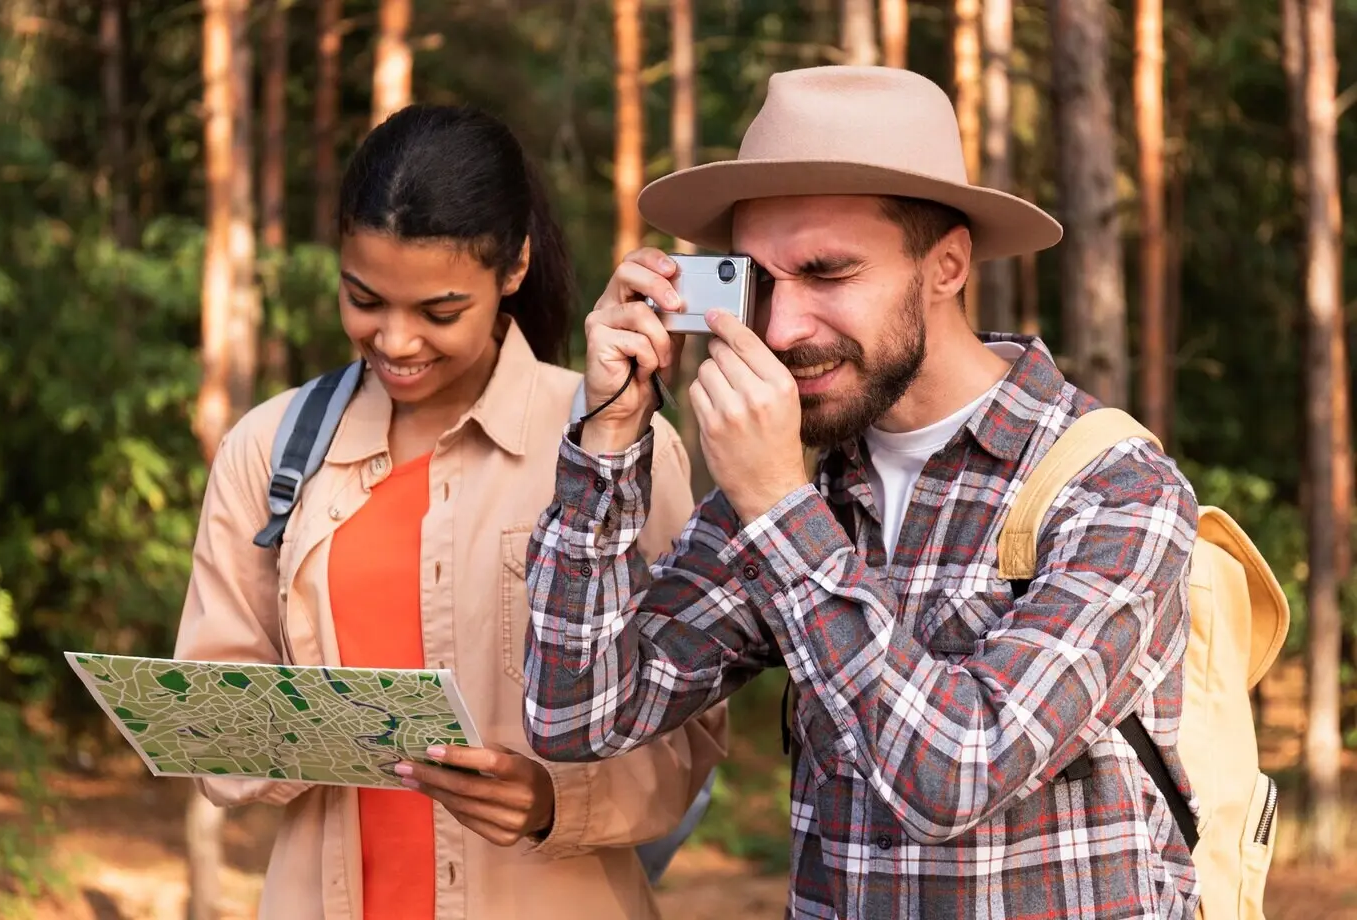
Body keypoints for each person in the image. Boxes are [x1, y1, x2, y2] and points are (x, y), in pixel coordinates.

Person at [523, 66, 1200, 919]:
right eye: (760, 282)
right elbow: (577, 713)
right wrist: (610, 439)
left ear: (947, 265)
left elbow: (956, 775)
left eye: (827, 274)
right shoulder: (800, 481)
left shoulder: (1114, 488)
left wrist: (778, 508)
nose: (779, 329)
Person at [173, 103, 726, 920]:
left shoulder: (616, 441)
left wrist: (551, 799)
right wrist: (295, 733)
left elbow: (691, 735)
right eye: (364, 301)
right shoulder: (268, 449)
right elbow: (209, 718)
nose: (396, 342)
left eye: (438, 313)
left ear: (513, 268)